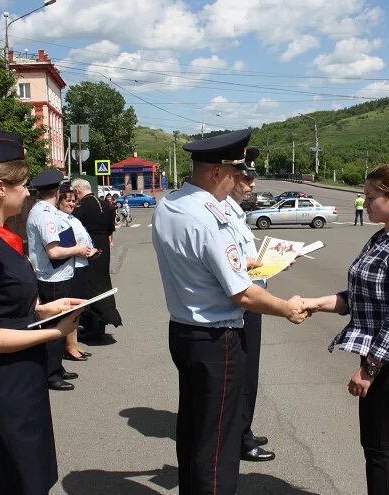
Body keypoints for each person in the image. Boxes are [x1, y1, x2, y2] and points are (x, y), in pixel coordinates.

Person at [152, 129, 309, 495]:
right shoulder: (209, 217)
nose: (239, 182)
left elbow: (212, 266)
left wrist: (261, 264)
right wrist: (286, 308)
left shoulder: (171, 204)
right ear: (216, 173)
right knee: (219, 441)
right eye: (235, 175)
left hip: (185, 330)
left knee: (194, 430)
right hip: (217, 338)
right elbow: (242, 293)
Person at [0, 131, 84, 494]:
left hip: (23, 378)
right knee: (21, 484)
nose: (28, 192)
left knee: (34, 480)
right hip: (4, 387)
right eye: (22, 185)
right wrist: (56, 332)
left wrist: (44, 307)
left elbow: (8, 303)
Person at [303, 162, 389, 495]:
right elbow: (358, 296)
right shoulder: (380, 239)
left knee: (377, 448)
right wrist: (314, 303)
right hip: (385, 356)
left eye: (370, 196)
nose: (364, 202)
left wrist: (368, 370)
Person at [222, 147, 275, 463]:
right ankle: (240, 438)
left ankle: (244, 428)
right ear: (231, 177)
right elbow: (232, 264)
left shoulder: (236, 211)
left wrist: (270, 263)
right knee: (243, 373)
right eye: (246, 176)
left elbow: (241, 259)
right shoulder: (224, 212)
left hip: (251, 295)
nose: (252, 183)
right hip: (243, 302)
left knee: (249, 372)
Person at [27, 168, 91, 391]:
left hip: (58, 275)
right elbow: (53, 252)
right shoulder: (44, 215)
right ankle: (51, 373)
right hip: (52, 277)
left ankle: (57, 367)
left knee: (60, 323)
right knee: (54, 326)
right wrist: (78, 249)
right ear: (56, 191)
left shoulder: (46, 211)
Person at [71, 179, 123, 342]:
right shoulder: (106, 205)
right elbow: (110, 229)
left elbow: (73, 227)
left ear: (78, 191)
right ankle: (102, 321)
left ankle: (93, 326)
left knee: (90, 285)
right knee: (102, 282)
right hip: (104, 247)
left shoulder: (81, 207)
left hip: (90, 247)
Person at [56, 184, 97, 360]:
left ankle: (74, 343)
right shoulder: (60, 220)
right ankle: (70, 346)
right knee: (71, 310)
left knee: (78, 308)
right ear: (59, 201)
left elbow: (85, 240)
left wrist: (92, 250)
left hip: (82, 265)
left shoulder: (74, 219)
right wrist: (82, 250)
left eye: (74, 200)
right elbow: (68, 246)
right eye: (68, 200)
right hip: (71, 269)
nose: (72, 204)